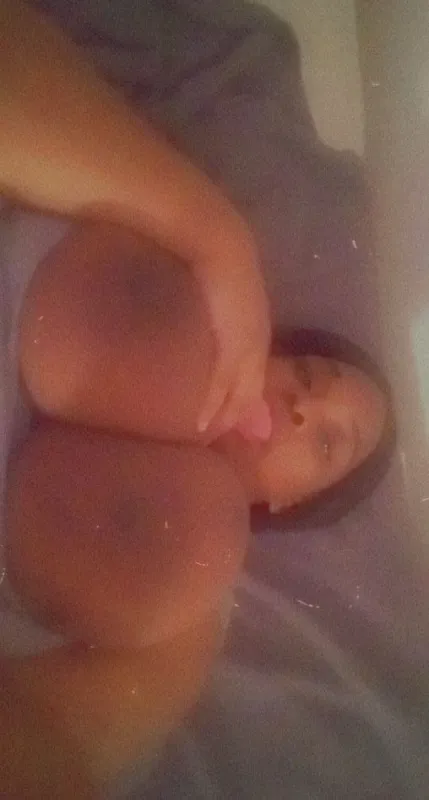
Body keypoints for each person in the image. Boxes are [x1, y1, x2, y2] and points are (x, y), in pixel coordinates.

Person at [0, 1, 407, 798]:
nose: (302, 410)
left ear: (287, 503)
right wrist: (216, 240)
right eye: (308, 378)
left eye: (327, 443)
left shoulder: (181, 601)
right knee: (157, 334)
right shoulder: (169, 271)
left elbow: (60, 750)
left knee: (181, 550)